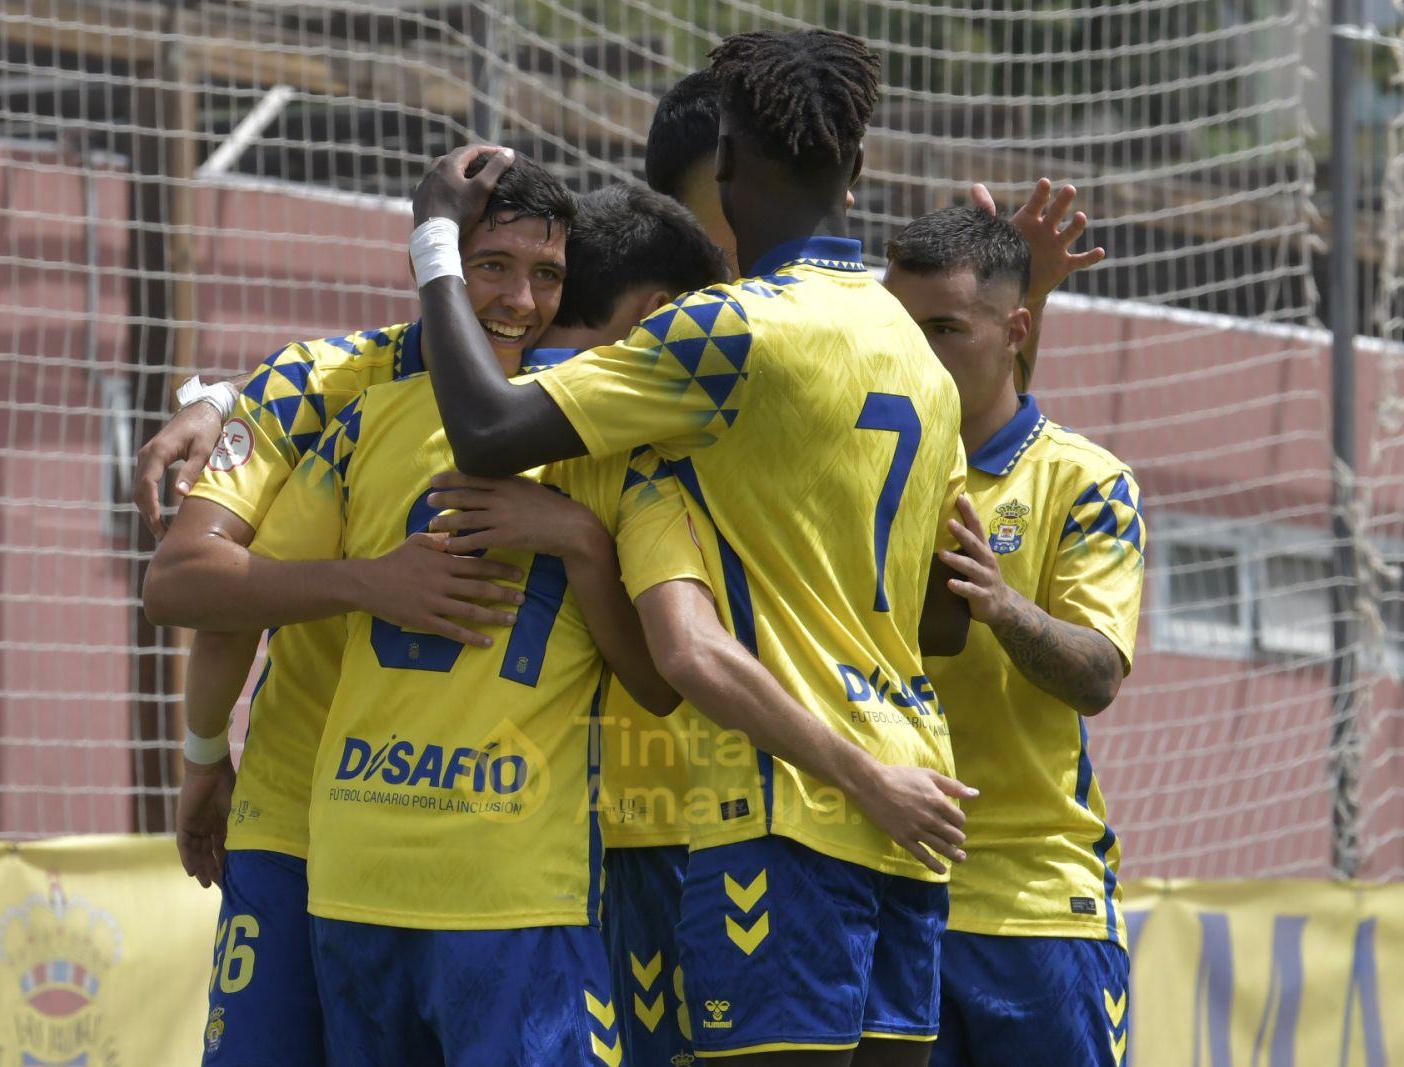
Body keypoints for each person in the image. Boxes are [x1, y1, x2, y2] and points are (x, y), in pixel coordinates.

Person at [410, 28, 975, 1066]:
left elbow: (487, 428)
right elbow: (946, 615)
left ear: (723, 163)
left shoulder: (729, 330)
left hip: (789, 808)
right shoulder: (921, 357)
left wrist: (438, 238)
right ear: (855, 169)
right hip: (916, 797)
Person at [145, 171, 733, 1066]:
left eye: (546, 275)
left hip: (467, 853)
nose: (520, 299)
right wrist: (364, 582)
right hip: (319, 828)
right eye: (490, 265)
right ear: (441, 264)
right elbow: (191, 586)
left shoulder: (595, 428)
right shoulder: (336, 388)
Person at [882, 207, 1142, 1067]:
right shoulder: (859, 468)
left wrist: (1002, 605)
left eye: (946, 329)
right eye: (902, 326)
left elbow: (1097, 675)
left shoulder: (1085, 479)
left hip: (1038, 907)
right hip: (887, 891)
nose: (918, 352)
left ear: (1015, 332)